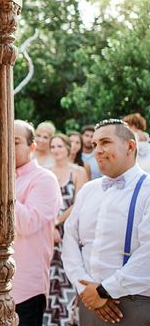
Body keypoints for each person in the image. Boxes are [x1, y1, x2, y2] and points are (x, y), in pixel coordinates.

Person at [62, 119, 150, 325]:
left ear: (130, 146)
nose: (98, 150)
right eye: (94, 145)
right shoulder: (88, 190)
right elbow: (70, 239)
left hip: (133, 303)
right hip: (88, 302)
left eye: (105, 142)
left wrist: (105, 290)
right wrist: (86, 288)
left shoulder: (147, 190)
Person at [0, 120, 61, 326]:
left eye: (14, 141)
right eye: (1, 140)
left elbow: (26, 224)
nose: (5, 147)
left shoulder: (44, 179)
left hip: (24, 289)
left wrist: (1, 181)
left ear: (32, 146)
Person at [44, 134, 88, 324]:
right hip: (48, 233)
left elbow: (81, 203)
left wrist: (57, 222)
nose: (56, 150)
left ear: (69, 148)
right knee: (50, 278)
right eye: (53, 146)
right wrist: (50, 226)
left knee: (69, 275)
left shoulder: (78, 172)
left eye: (60, 146)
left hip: (70, 231)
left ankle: (68, 319)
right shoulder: (47, 172)